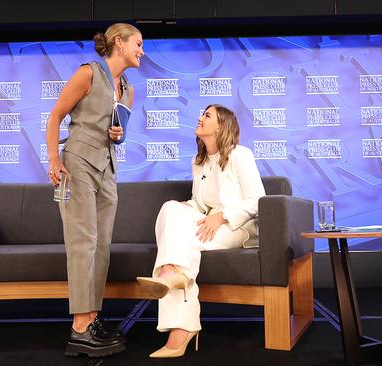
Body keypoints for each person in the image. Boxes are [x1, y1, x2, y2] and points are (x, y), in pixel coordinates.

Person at [46, 23, 144, 357]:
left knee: (101, 245)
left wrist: (118, 135)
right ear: (119, 43)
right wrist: (52, 160)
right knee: (83, 242)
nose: (142, 51)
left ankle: (92, 317)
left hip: (108, 169)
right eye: (138, 44)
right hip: (78, 163)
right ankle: (79, 328)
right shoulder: (88, 73)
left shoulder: (128, 89)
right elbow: (56, 115)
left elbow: (120, 132)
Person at [137, 104, 265, 358]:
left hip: (238, 227)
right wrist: (183, 211)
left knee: (180, 244)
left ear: (221, 126)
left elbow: (257, 200)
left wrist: (222, 216)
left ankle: (179, 326)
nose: (199, 118)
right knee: (170, 208)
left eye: (207, 116)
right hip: (209, 223)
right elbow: (199, 203)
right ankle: (171, 276)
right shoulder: (199, 161)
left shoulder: (241, 155)